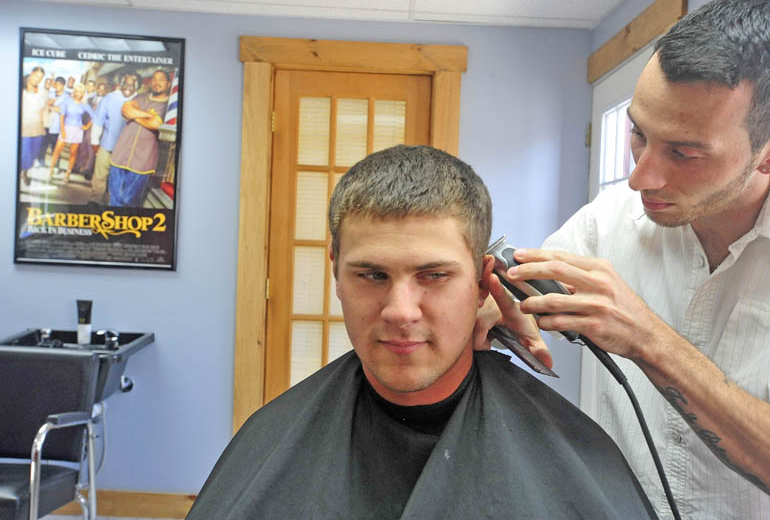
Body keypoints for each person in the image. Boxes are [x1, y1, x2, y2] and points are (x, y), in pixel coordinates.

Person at [186, 145, 657, 519]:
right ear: (335, 273)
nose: (400, 311)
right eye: (371, 275)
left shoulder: (571, 457)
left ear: (481, 283)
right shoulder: (269, 441)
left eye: (434, 276)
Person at [479, 0, 770, 519]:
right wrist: (496, 309)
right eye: (638, 133)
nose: (639, 178)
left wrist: (649, 340)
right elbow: (515, 296)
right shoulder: (613, 217)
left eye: (685, 153)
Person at [107, 69, 170, 207]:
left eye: (161, 80)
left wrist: (135, 115)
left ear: (168, 83)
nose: (156, 83)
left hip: (142, 162)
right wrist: (148, 115)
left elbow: (156, 124)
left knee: (129, 201)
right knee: (114, 199)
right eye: (154, 79)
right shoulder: (140, 97)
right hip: (120, 155)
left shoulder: (168, 105)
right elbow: (125, 110)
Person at [89, 74, 137, 205]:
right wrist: (94, 141)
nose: (128, 87)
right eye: (125, 83)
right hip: (107, 145)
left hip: (127, 150)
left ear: (138, 86)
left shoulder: (139, 101)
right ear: (120, 84)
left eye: (133, 84)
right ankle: (95, 202)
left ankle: (112, 205)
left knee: (118, 180)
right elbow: (99, 121)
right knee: (100, 176)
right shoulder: (109, 98)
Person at [47, 82, 96, 184]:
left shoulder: (84, 105)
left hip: (77, 130)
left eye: (81, 92)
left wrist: (86, 126)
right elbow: (62, 115)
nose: (78, 93)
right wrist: (63, 130)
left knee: (73, 153)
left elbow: (94, 116)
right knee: (57, 150)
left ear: (83, 93)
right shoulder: (68, 101)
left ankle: (67, 175)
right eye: (77, 91)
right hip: (66, 127)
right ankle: (50, 171)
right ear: (74, 91)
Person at [19, 66, 48, 186]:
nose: (37, 79)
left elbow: (44, 111)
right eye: (36, 76)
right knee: (24, 154)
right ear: (31, 73)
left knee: (32, 155)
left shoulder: (43, 92)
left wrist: (44, 127)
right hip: (23, 130)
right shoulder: (20, 90)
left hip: (38, 130)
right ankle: (19, 173)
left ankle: (25, 172)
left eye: (40, 78)